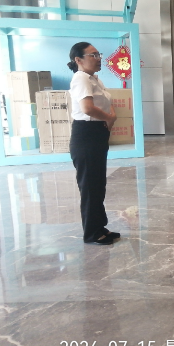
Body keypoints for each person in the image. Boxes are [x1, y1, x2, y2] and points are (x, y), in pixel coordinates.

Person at [68, 42, 120, 245]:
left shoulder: (94, 78)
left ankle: (100, 227)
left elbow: (106, 102)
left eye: (99, 54)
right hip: (86, 135)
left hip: (97, 133)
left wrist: (111, 117)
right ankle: (91, 233)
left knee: (98, 184)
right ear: (78, 60)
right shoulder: (81, 78)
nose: (98, 58)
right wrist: (109, 117)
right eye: (93, 55)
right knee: (90, 186)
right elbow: (87, 108)